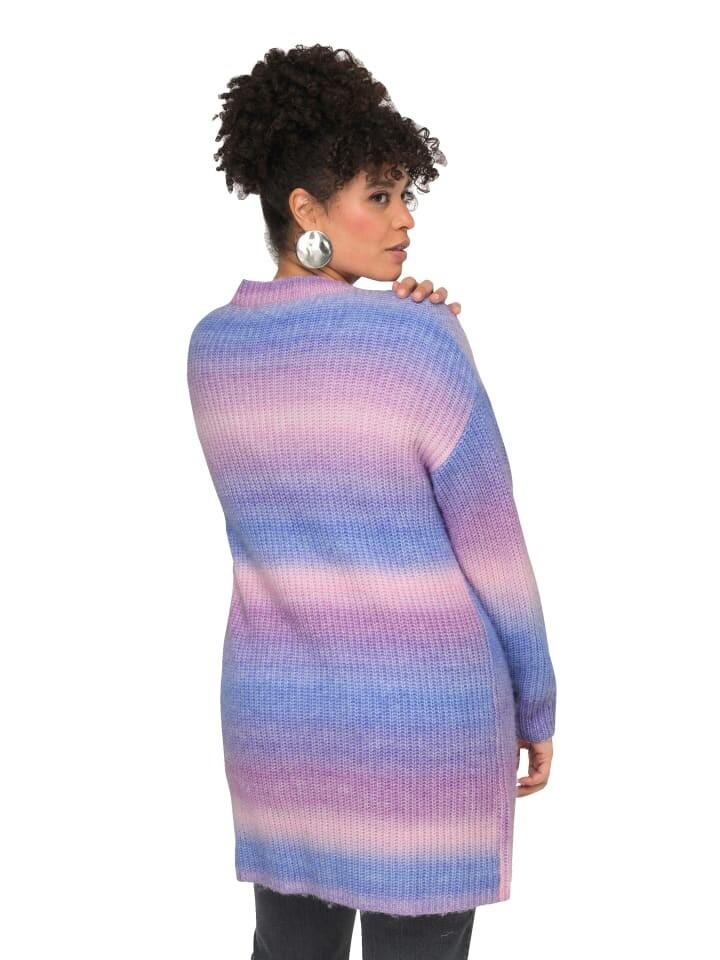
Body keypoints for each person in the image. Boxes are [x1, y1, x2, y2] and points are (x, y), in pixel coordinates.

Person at [187, 43, 557, 960]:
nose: (406, 219)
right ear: (306, 211)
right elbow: (494, 549)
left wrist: (409, 325)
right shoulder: (417, 342)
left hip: (277, 725)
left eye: (405, 194)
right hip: (422, 727)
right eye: (379, 196)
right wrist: (536, 704)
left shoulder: (210, 350)